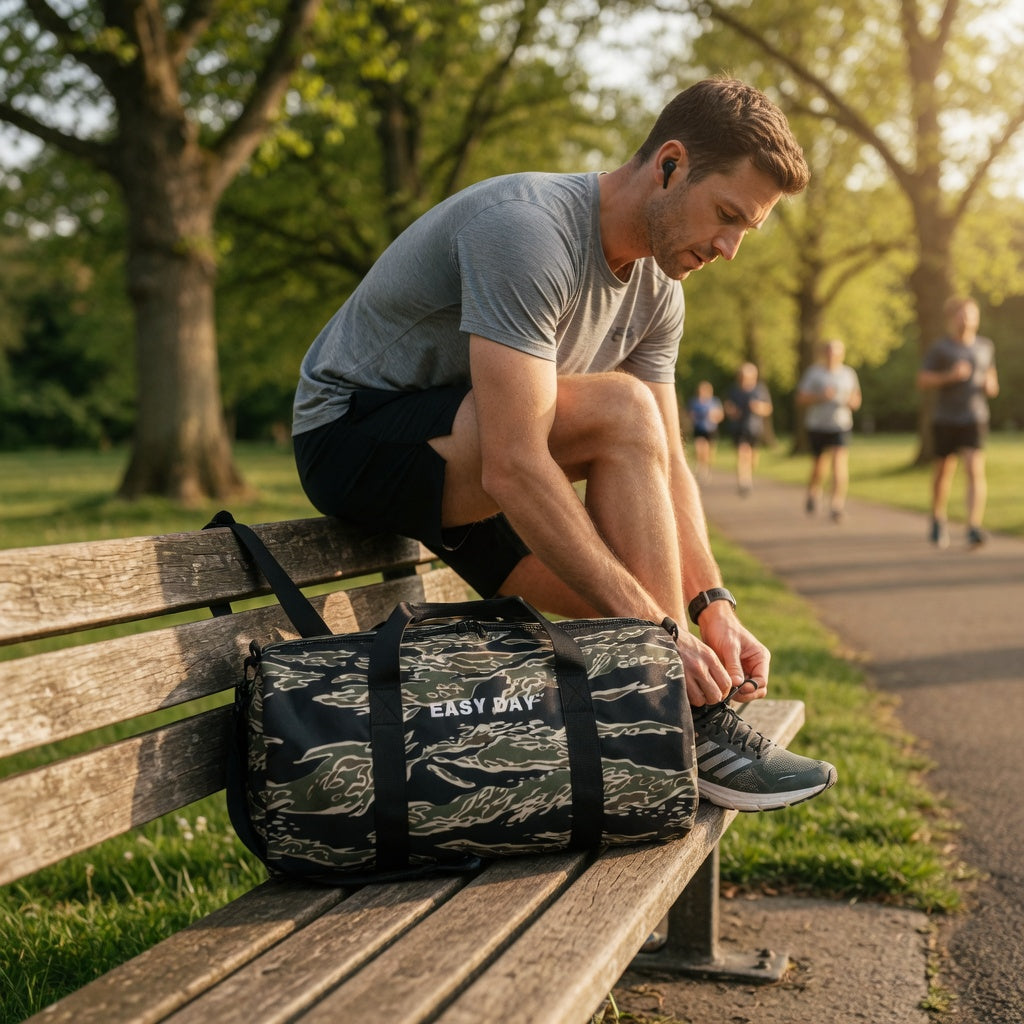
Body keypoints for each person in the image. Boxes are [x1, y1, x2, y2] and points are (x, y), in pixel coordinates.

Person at [292, 77, 837, 813]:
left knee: (629, 582)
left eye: (747, 230)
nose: (730, 248)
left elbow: (669, 463)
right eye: (726, 216)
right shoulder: (527, 229)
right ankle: (687, 722)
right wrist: (659, 636)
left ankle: (661, 730)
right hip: (351, 436)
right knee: (621, 412)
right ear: (669, 164)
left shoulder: (658, 294)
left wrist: (712, 607)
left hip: (461, 469)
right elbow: (517, 464)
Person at [916, 296, 999, 548]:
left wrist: (989, 385)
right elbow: (923, 380)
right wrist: (950, 377)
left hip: (974, 417)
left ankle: (973, 526)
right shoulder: (941, 348)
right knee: (944, 471)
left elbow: (993, 382)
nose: (966, 319)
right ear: (951, 319)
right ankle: (938, 519)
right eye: (961, 315)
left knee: (974, 469)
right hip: (945, 418)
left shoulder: (985, 346)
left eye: (971, 314)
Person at [796, 339, 862, 522]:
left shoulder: (848, 373)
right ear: (824, 353)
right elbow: (801, 398)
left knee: (839, 464)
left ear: (842, 354)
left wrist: (850, 402)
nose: (832, 355)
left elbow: (856, 400)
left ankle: (836, 505)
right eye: (829, 351)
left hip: (840, 425)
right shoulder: (814, 373)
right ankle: (813, 492)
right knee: (819, 466)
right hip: (817, 425)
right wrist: (820, 397)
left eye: (836, 352)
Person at [724, 362, 773, 496]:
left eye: (748, 377)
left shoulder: (760, 390)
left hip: (754, 428)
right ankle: (744, 481)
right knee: (742, 452)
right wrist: (731, 411)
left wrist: (758, 407)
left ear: (754, 377)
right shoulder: (734, 390)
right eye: (742, 377)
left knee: (753, 457)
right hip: (738, 427)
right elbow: (727, 406)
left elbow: (768, 409)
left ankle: (749, 475)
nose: (744, 380)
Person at [686, 380, 725, 483]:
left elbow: (720, 415)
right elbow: (690, 414)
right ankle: (701, 468)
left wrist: (714, 416)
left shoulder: (714, 402)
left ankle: (706, 468)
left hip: (711, 430)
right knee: (699, 449)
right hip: (699, 429)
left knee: (709, 452)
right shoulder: (694, 402)